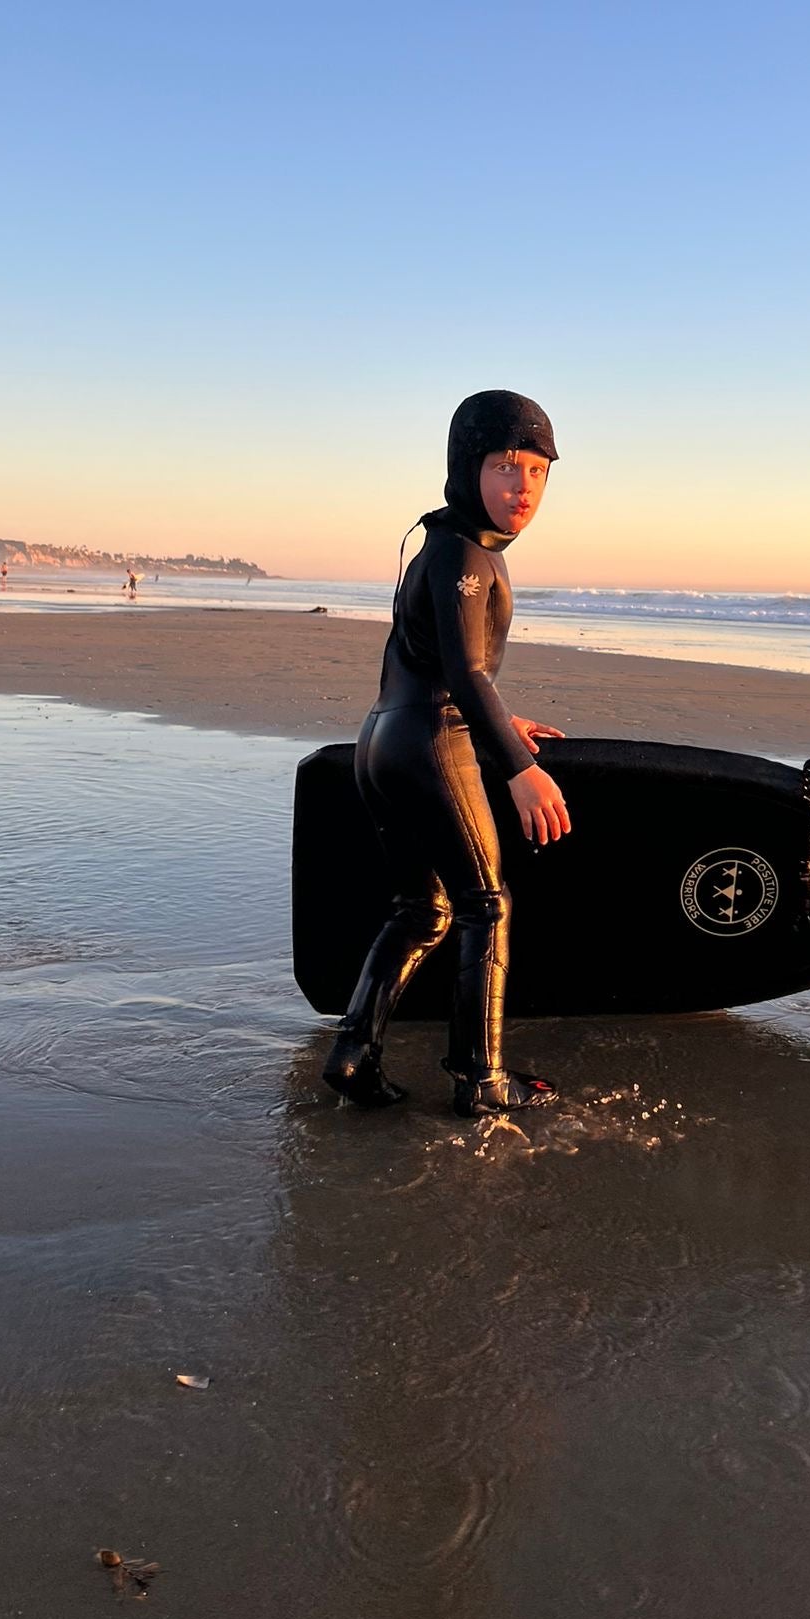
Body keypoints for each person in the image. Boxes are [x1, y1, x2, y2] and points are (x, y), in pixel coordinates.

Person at [323, 389, 569, 1118]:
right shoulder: (465, 551)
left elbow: (422, 658)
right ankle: (481, 1078)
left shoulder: (444, 543)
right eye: (504, 466)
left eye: (536, 471)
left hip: (384, 740)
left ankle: (353, 1053)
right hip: (430, 743)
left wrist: (500, 720)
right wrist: (520, 770)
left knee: (421, 909)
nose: (521, 487)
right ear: (468, 468)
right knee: (485, 904)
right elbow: (465, 672)